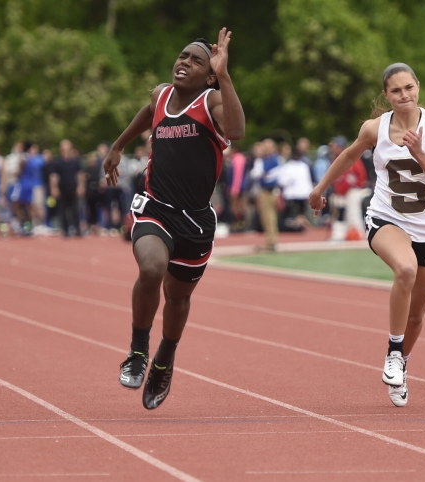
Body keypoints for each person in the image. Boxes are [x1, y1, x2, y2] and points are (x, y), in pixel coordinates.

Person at [103, 29, 245, 410]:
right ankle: (137, 351)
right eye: (183, 56)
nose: (185, 62)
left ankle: (164, 359)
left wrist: (225, 75)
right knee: (151, 268)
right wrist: (118, 145)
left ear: (210, 74)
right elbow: (147, 114)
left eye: (197, 61)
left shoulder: (212, 101)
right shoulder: (161, 94)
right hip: (155, 207)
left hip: (196, 222)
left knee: (177, 298)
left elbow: (236, 130)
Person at [309, 63, 425, 407]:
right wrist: (319, 189)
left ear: (418, 86)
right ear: (386, 95)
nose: (404, 95)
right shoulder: (376, 128)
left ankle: (400, 360)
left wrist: (419, 153)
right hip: (387, 219)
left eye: (409, 88)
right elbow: (348, 154)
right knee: (405, 270)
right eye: (396, 90)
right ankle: (392, 352)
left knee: (417, 315)